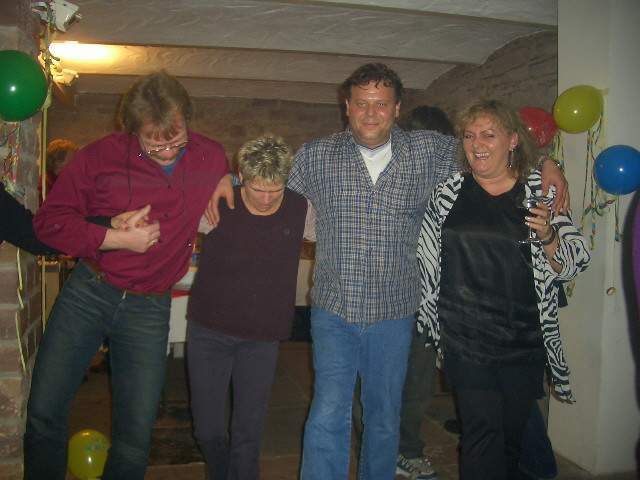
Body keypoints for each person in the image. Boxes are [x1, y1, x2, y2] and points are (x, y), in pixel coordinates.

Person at [208, 63, 569, 480]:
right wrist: (227, 179)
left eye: (381, 104)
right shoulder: (316, 156)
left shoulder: (430, 152)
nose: (370, 113)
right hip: (334, 309)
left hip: (395, 311)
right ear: (347, 106)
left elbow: (491, 151)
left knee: (383, 415)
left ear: (397, 108)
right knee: (328, 412)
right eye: (361, 104)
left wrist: (547, 162)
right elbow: (266, 186)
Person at [24, 71, 229, 480]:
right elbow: (49, 224)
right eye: (154, 144)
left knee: (135, 436)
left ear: (188, 120)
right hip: (89, 292)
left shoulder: (210, 157)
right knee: (45, 410)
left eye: (176, 140)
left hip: (149, 306)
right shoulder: (99, 156)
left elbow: (248, 180)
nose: (167, 152)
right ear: (132, 130)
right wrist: (113, 237)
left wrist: (229, 179)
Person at [416, 99, 591, 480]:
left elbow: (575, 263)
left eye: (488, 135)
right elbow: (425, 260)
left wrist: (548, 237)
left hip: (522, 340)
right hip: (465, 337)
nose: (477, 144)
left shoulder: (540, 192)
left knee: (512, 440)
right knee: (481, 435)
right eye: (469, 135)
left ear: (512, 140)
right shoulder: (447, 194)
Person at [186, 134, 307, 480]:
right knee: (207, 430)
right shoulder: (218, 203)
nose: (267, 199)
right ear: (241, 176)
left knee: (248, 434)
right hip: (209, 331)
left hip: (261, 337)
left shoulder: (300, 208)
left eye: (276, 190)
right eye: (258, 189)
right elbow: (175, 207)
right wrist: (220, 178)